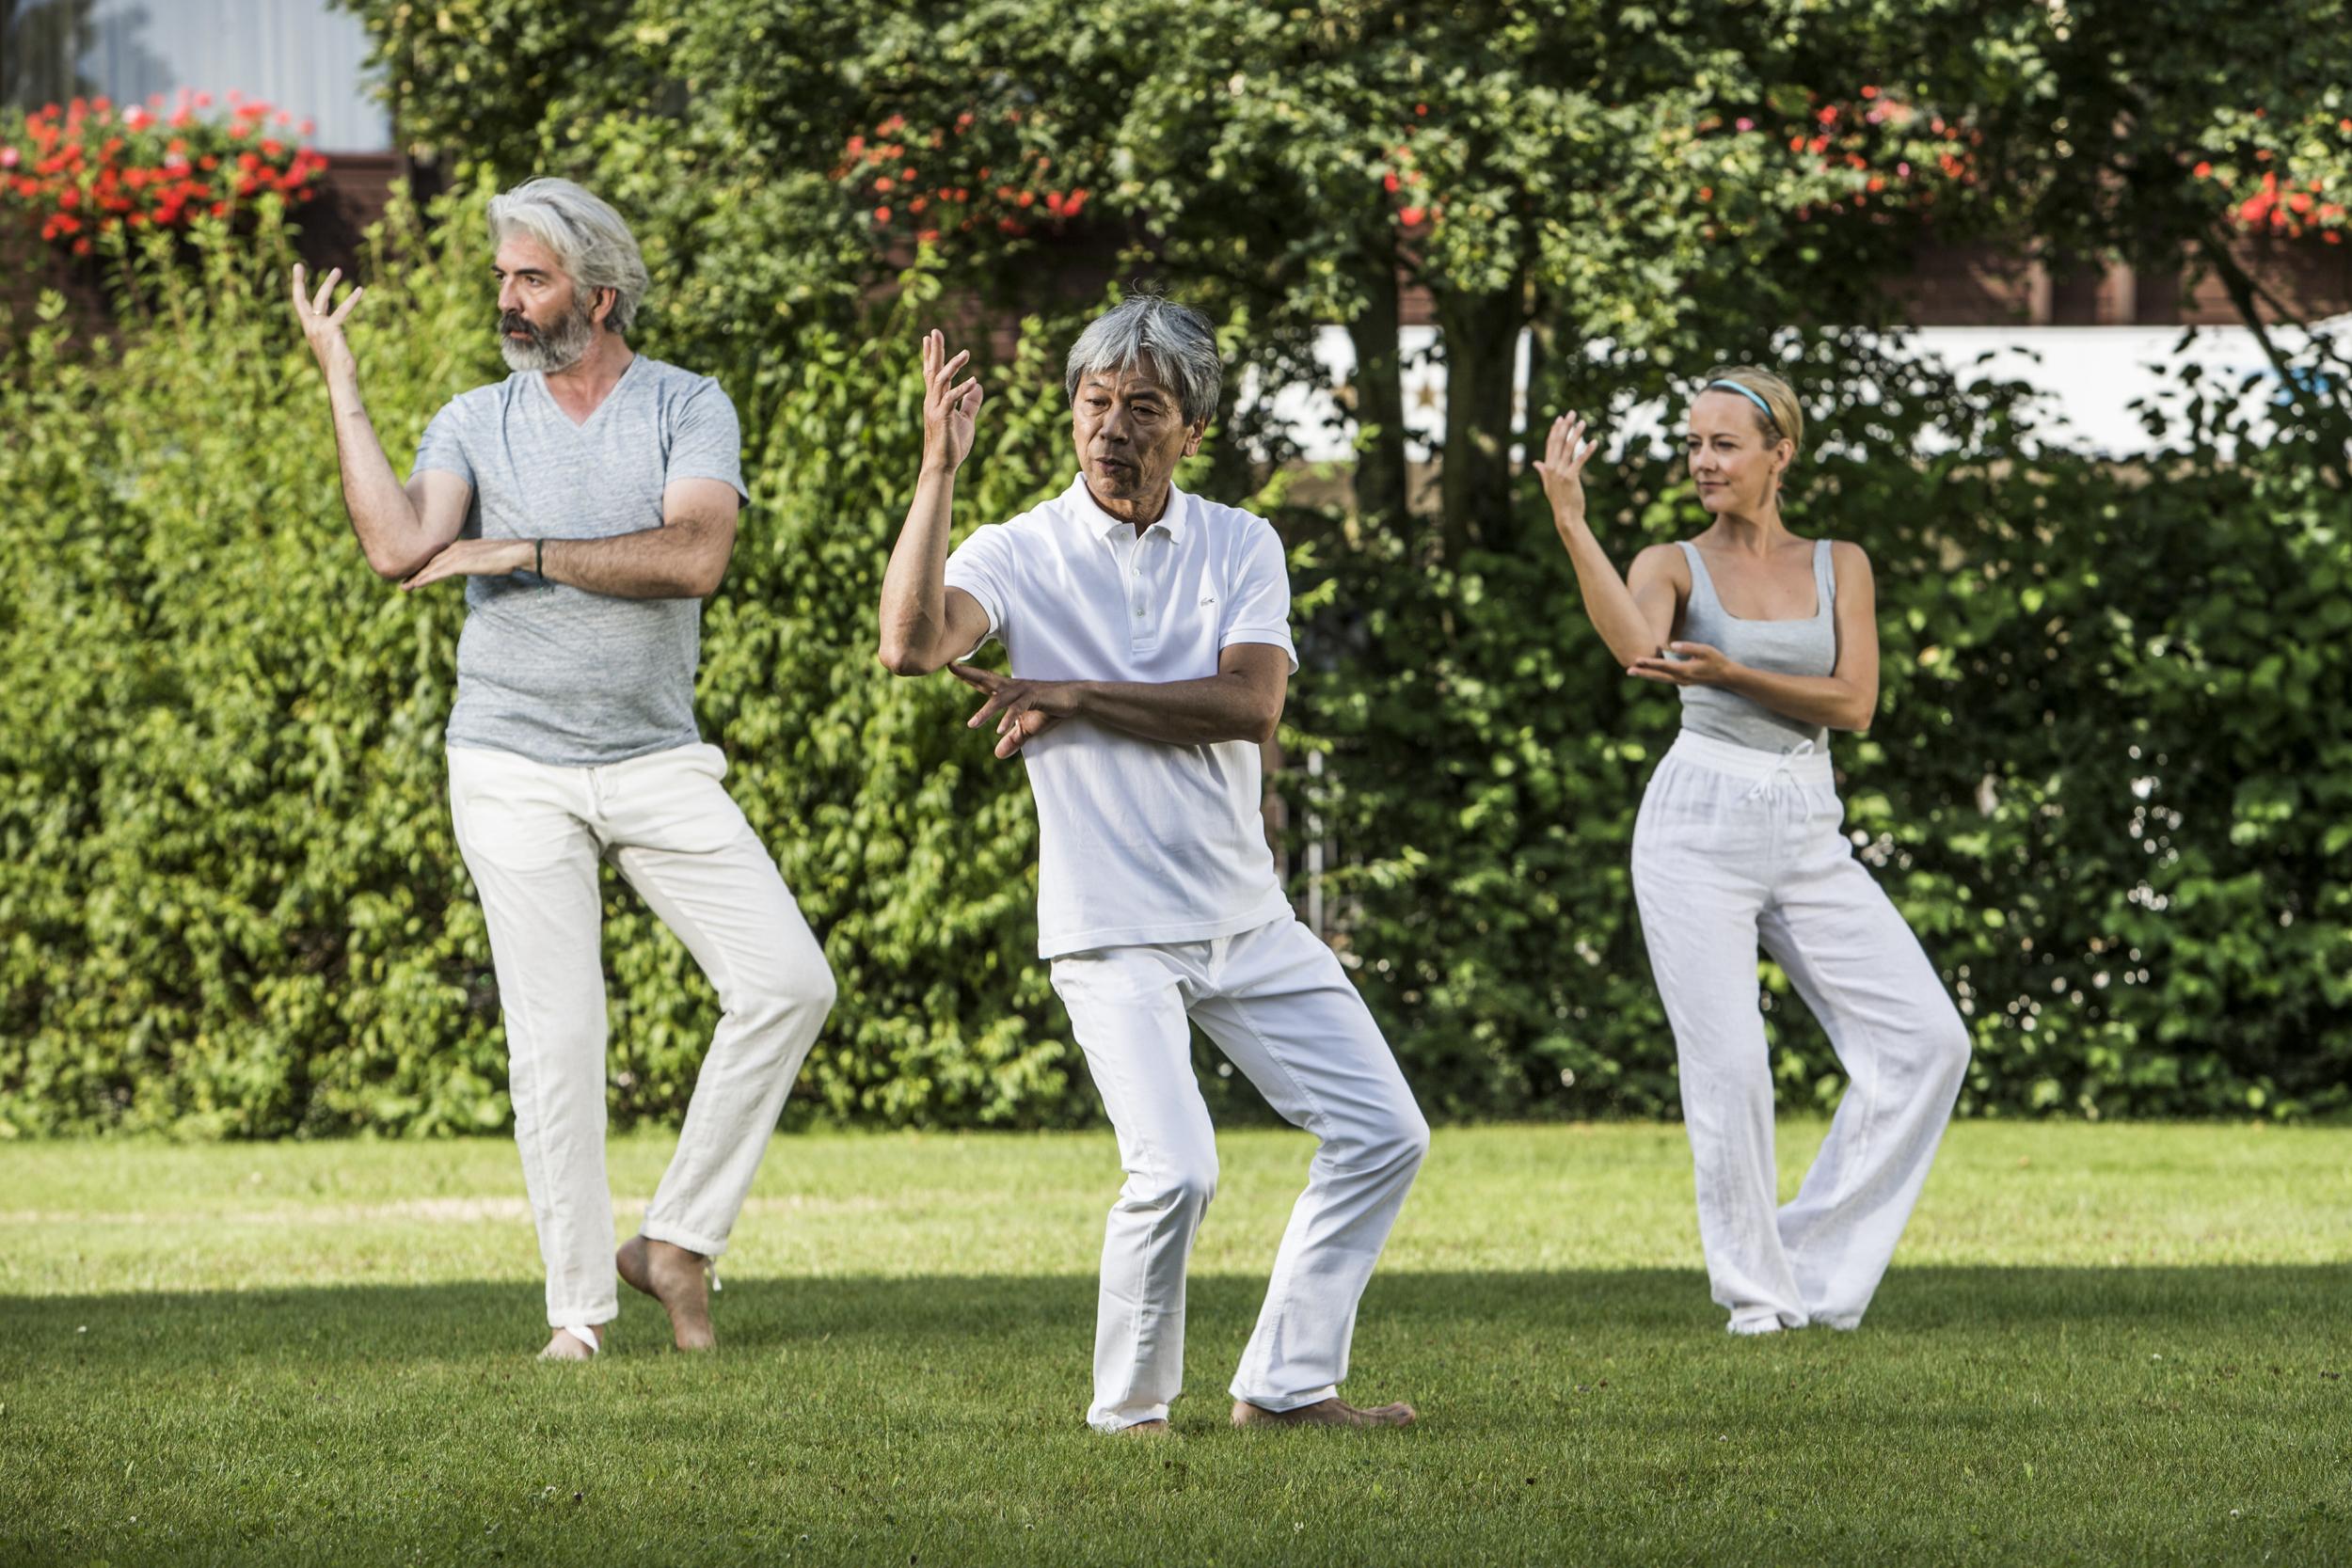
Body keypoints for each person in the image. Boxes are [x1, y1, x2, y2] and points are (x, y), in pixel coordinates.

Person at [291, 178, 836, 1360]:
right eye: (502, 279)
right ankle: (578, 1313)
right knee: (560, 1032)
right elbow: (398, 544)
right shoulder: (474, 420)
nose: (509, 301)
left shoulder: (687, 406)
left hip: (655, 757)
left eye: (529, 279)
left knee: (790, 982)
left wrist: (527, 548)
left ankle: (676, 1240)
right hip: (510, 763)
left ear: (598, 291)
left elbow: (695, 553)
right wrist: (338, 373)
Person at [876, 297, 1429, 1432]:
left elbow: (1249, 700)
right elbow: (910, 644)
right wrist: (937, 471)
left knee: (1385, 1130)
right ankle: (1129, 1413)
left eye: (1143, 407)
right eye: (1094, 403)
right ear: (1069, 413)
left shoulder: (1239, 541)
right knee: (1175, 1170)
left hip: (1243, 915)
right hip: (1109, 926)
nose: (1112, 428)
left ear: (1192, 427)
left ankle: (1283, 1388)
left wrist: (1070, 692)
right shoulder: (1019, 550)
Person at [1536, 367, 1970, 1334]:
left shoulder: (1838, 563)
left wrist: (1733, 670)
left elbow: (1855, 703)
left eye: (1723, 444)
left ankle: (1810, 1262)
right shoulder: (1672, 562)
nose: (1701, 461)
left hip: (1809, 823)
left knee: (1927, 1042)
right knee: (1730, 1067)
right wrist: (1573, 520)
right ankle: (1757, 1297)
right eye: (1692, 443)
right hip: (1697, 824)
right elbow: (1635, 649)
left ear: (1781, 452)